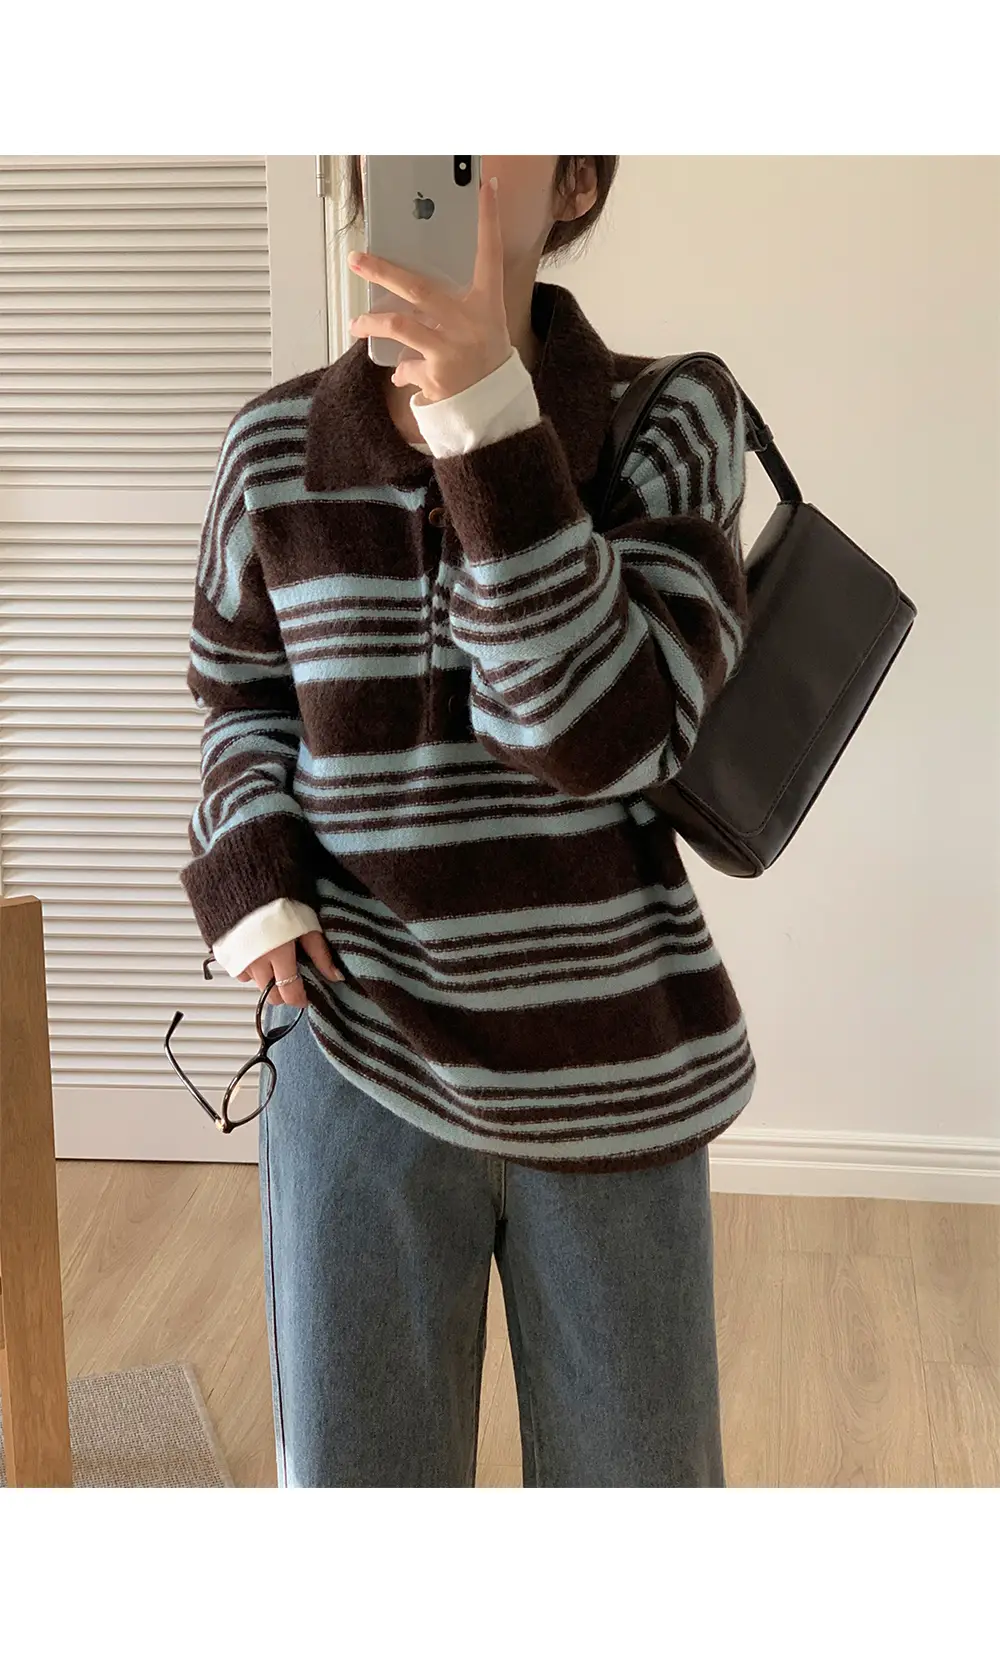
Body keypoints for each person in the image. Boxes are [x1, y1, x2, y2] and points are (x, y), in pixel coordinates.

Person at [179, 156, 756, 1488]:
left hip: (612, 1069)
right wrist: (253, 875)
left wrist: (490, 417)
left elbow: (605, 736)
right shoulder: (271, 450)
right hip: (353, 1046)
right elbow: (236, 701)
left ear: (576, 184)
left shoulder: (672, 417)